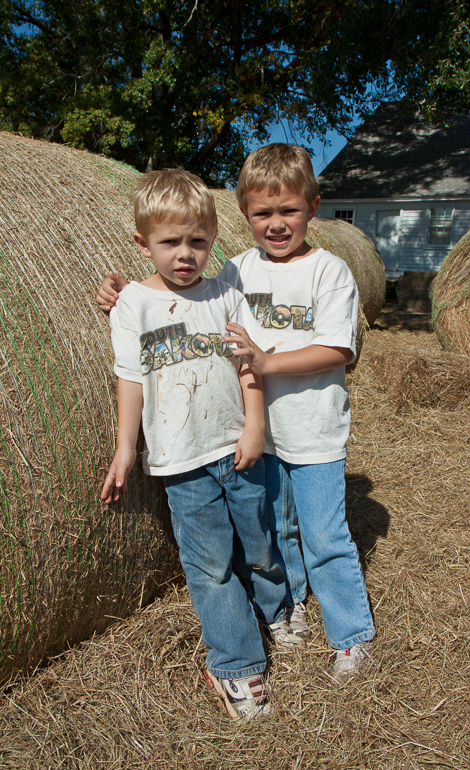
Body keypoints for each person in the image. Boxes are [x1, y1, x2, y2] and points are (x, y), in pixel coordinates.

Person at [97, 145, 375, 680]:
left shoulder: (329, 270)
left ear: (313, 208)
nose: (276, 224)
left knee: (324, 535)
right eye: (262, 213)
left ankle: (350, 635)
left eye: (288, 211)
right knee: (277, 532)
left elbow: (340, 349)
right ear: (244, 215)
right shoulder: (236, 270)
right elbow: (186, 294)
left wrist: (267, 362)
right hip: (256, 436)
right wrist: (121, 294)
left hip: (313, 429)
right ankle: (289, 611)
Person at [100, 168, 302, 722]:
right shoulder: (132, 306)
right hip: (181, 463)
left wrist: (255, 424)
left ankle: (278, 611)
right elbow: (130, 380)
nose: (185, 254)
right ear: (143, 243)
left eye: (198, 241)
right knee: (210, 566)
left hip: (235, 446)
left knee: (260, 543)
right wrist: (125, 451)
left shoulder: (227, 291)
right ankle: (236, 664)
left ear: (214, 240)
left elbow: (247, 364)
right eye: (170, 243)